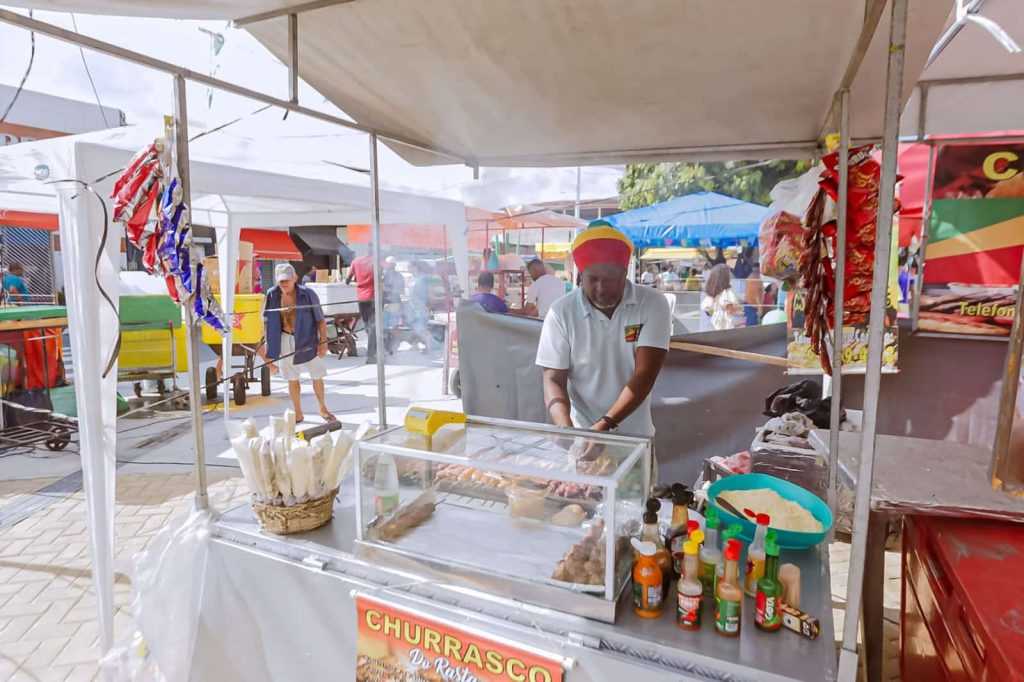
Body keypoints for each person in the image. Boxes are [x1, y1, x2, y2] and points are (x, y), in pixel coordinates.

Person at [537, 222, 671, 445]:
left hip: (635, 439)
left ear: (624, 273)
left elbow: (644, 375)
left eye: (609, 280)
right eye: (592, 279)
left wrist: (604, 425)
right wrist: (568, 430)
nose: (600, 288)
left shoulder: (652, 304)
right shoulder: (561, 312)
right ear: (581, 275)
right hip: (583, 434)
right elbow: (553, 379)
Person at [259, 264, 335, 423]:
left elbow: (320, 319)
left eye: (287, 280)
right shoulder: (272, 295)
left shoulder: (307, 294)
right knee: (292, 378)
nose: (284, 284)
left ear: (295, 278)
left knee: (317, 374)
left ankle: (322, 407)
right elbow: (267, 322)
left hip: (307, 338)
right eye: (281, 281)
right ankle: (298, 412)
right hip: (285, 338)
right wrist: (268, 347)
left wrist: (323, 342)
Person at [346, 253, 378, 363]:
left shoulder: (356, 261)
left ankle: (374, 351)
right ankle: (371, 355)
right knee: (373, 326)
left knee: (368, 326)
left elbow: (347, 280)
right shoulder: (376, 260)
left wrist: (359, 280)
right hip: (374, 297)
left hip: (361, 298)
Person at [701, 263, 741, 330]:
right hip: (725, 327)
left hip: (711, 326)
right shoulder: (727, 293)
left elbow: (707, 309)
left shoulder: (710, 293)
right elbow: (731, 311)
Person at [382, 256, 405, 354]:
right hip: (394, 303)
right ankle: (392, 346)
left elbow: (381, 289)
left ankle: (389, 346)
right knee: (393, 326)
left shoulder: (383, 275)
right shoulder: (399, 276)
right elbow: (401, 290)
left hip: (387, 303)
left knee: (387, 327)